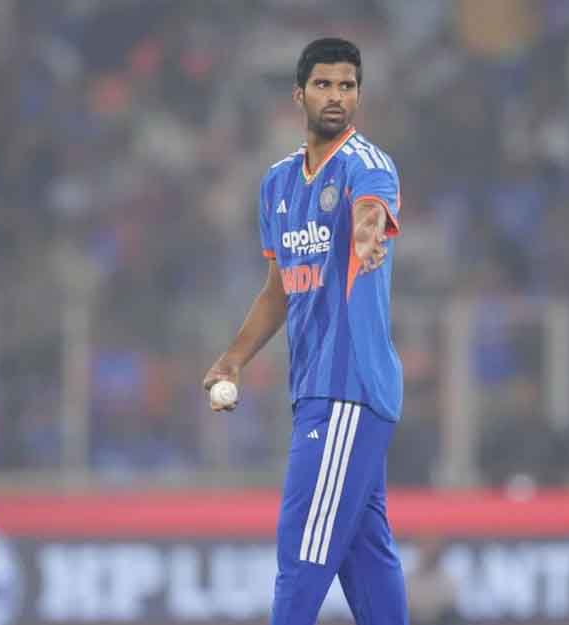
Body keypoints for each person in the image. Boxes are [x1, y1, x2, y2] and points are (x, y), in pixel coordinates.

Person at [202, 37, 407, 625]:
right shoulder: (278, 184)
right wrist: (233, 359)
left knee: (301, 555)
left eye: (347, 85)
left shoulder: (366, 164)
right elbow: (278, 289)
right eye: (324, 84)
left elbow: (369, 212)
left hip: (347, 388)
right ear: (299, 95)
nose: (336, 96)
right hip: (318, 390)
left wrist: (366, 237)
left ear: (359, 95)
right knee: (365, 558)